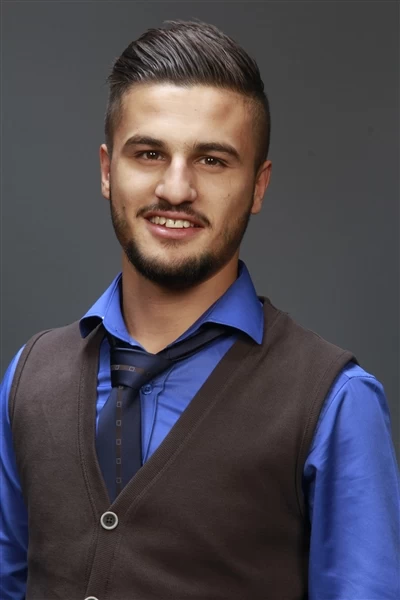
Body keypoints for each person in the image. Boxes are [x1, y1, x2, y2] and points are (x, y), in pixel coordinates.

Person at [1, 19, 399, 600]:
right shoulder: (29, 377)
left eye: (212, 160)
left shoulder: (336, 402)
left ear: (258, 186)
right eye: (149, 154)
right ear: (108, 171)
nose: (175, 189)